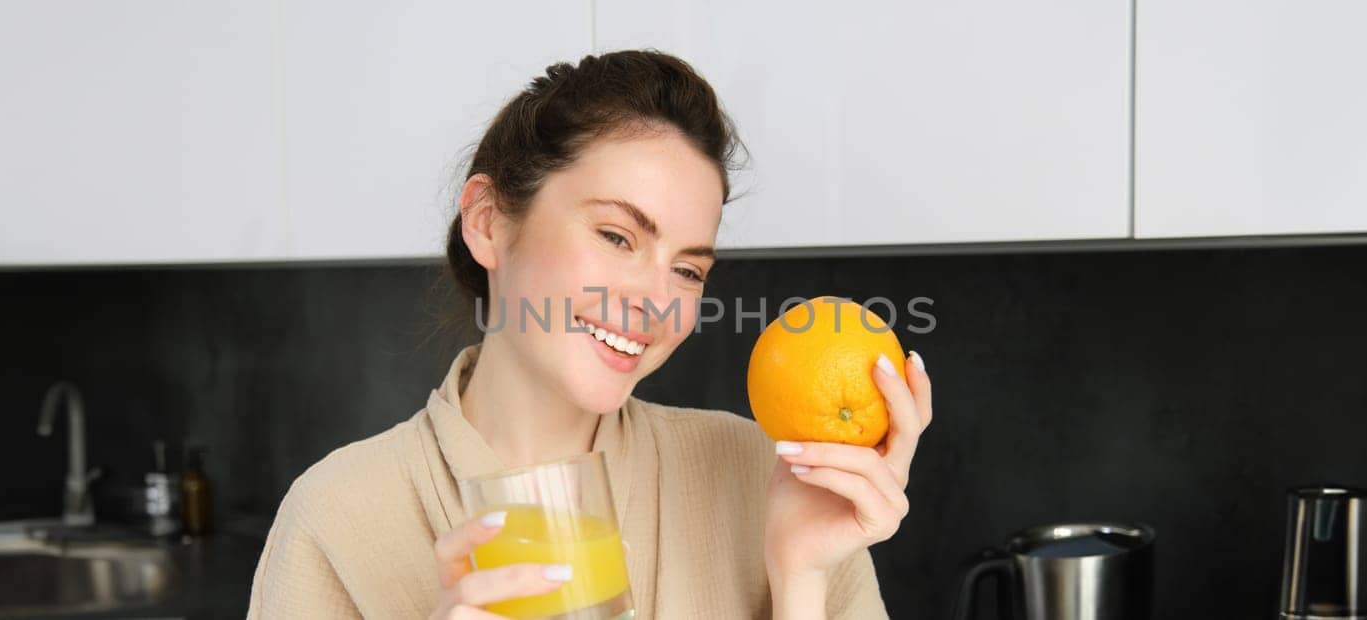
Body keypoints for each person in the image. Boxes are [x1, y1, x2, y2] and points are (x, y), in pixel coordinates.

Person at [247, 50, 933, 620]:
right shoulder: (337, 517)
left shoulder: (764, 476)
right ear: (487, 222)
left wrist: (801, 580)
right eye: (616, 236)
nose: (655, 302)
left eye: (688, 271)